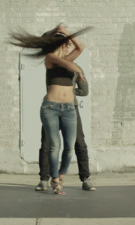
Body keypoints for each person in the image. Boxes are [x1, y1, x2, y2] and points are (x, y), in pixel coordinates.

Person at [9, 24, 92, 195]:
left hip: (70, 108)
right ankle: (45, 179)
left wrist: (67, 33)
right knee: (48, 145)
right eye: (66, 44)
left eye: (69, 44)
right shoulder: (51, 58)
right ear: (60, 45)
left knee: (77, 144)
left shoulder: (70, 60)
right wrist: (55, 32)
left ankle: (82, 178)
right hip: (52, 108)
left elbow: (80, 47)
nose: (69, 46)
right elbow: (65, 63)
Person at [35, 60, 96, 191]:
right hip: (63, 106)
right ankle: (85, 179)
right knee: (74, 143)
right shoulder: (74, 67)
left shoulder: (52, 65)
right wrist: (71, 92)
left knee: (58, 143)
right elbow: (83, 90)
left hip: (58, 106)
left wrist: (69, 93)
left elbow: (84, 91)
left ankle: (44, 180)